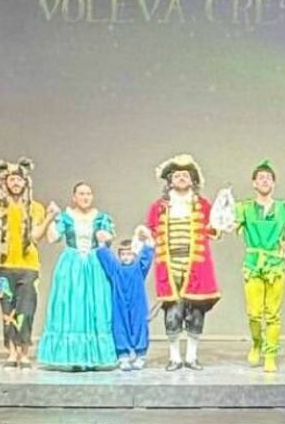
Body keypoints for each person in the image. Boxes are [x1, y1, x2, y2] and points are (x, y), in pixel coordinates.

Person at [221, 160, 285, 374]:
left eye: (268, 178)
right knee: (254, 313)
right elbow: (230, 225)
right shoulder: (245, 207)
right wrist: (222, 220)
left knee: (273, 314)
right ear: (254, 183)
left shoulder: (284, 207)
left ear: (274, 183)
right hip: (253, 264)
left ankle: (270, 354)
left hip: (275, 264)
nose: (265, 181)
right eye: (261, 178)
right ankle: (257, 342)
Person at [145, 154, 223, 372]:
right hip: (170, 267)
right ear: (170, 180)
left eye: (185, 175)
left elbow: (214, 229)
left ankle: (191, 356)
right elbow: (151, 232)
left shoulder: (203, 205)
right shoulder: (159, 207)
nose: (181, 178)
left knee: (196, 311)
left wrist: (222, 221)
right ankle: (174, 357)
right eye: (177, 175)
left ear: (192, 180)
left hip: (196, 267)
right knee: (172, 312)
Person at [37, 182, 117, 370]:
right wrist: (51, 217)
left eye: (88, 193)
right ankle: (71, 356)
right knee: (71, 305)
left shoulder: (101, 218)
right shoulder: (66, 217)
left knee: (95, 304)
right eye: (81, 193)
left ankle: (95, 356)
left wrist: (106, 237)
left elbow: (108, 239)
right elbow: (53, 238)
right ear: (74, 197)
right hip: (71, 265)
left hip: (94, 264)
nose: (85, 197)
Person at [0, 159, 55, 369]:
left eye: (19, 180)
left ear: (25, 183)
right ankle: (12, 352)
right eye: (11, 179)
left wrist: (49, 217)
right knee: (7, 310)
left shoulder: (35, 208)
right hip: (4, 266)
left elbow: (36, 236)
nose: (15, 183)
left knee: (26, 310)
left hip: (28, 267)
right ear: (5, 183)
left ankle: (24, 352)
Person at [96, 228, 155, 371]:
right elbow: (106, 258)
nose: (126, 257)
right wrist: (102, 243)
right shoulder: (116, 269)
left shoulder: (138, 268)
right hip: (120, 303)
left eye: (129, 254)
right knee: (120, 327)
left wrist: (147, 239)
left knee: (139, 326)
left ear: (134, 254)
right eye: (123, 254)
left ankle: (140, 355)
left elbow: (147, 255)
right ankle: (123, 356)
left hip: (137, 303)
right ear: (119, 255)